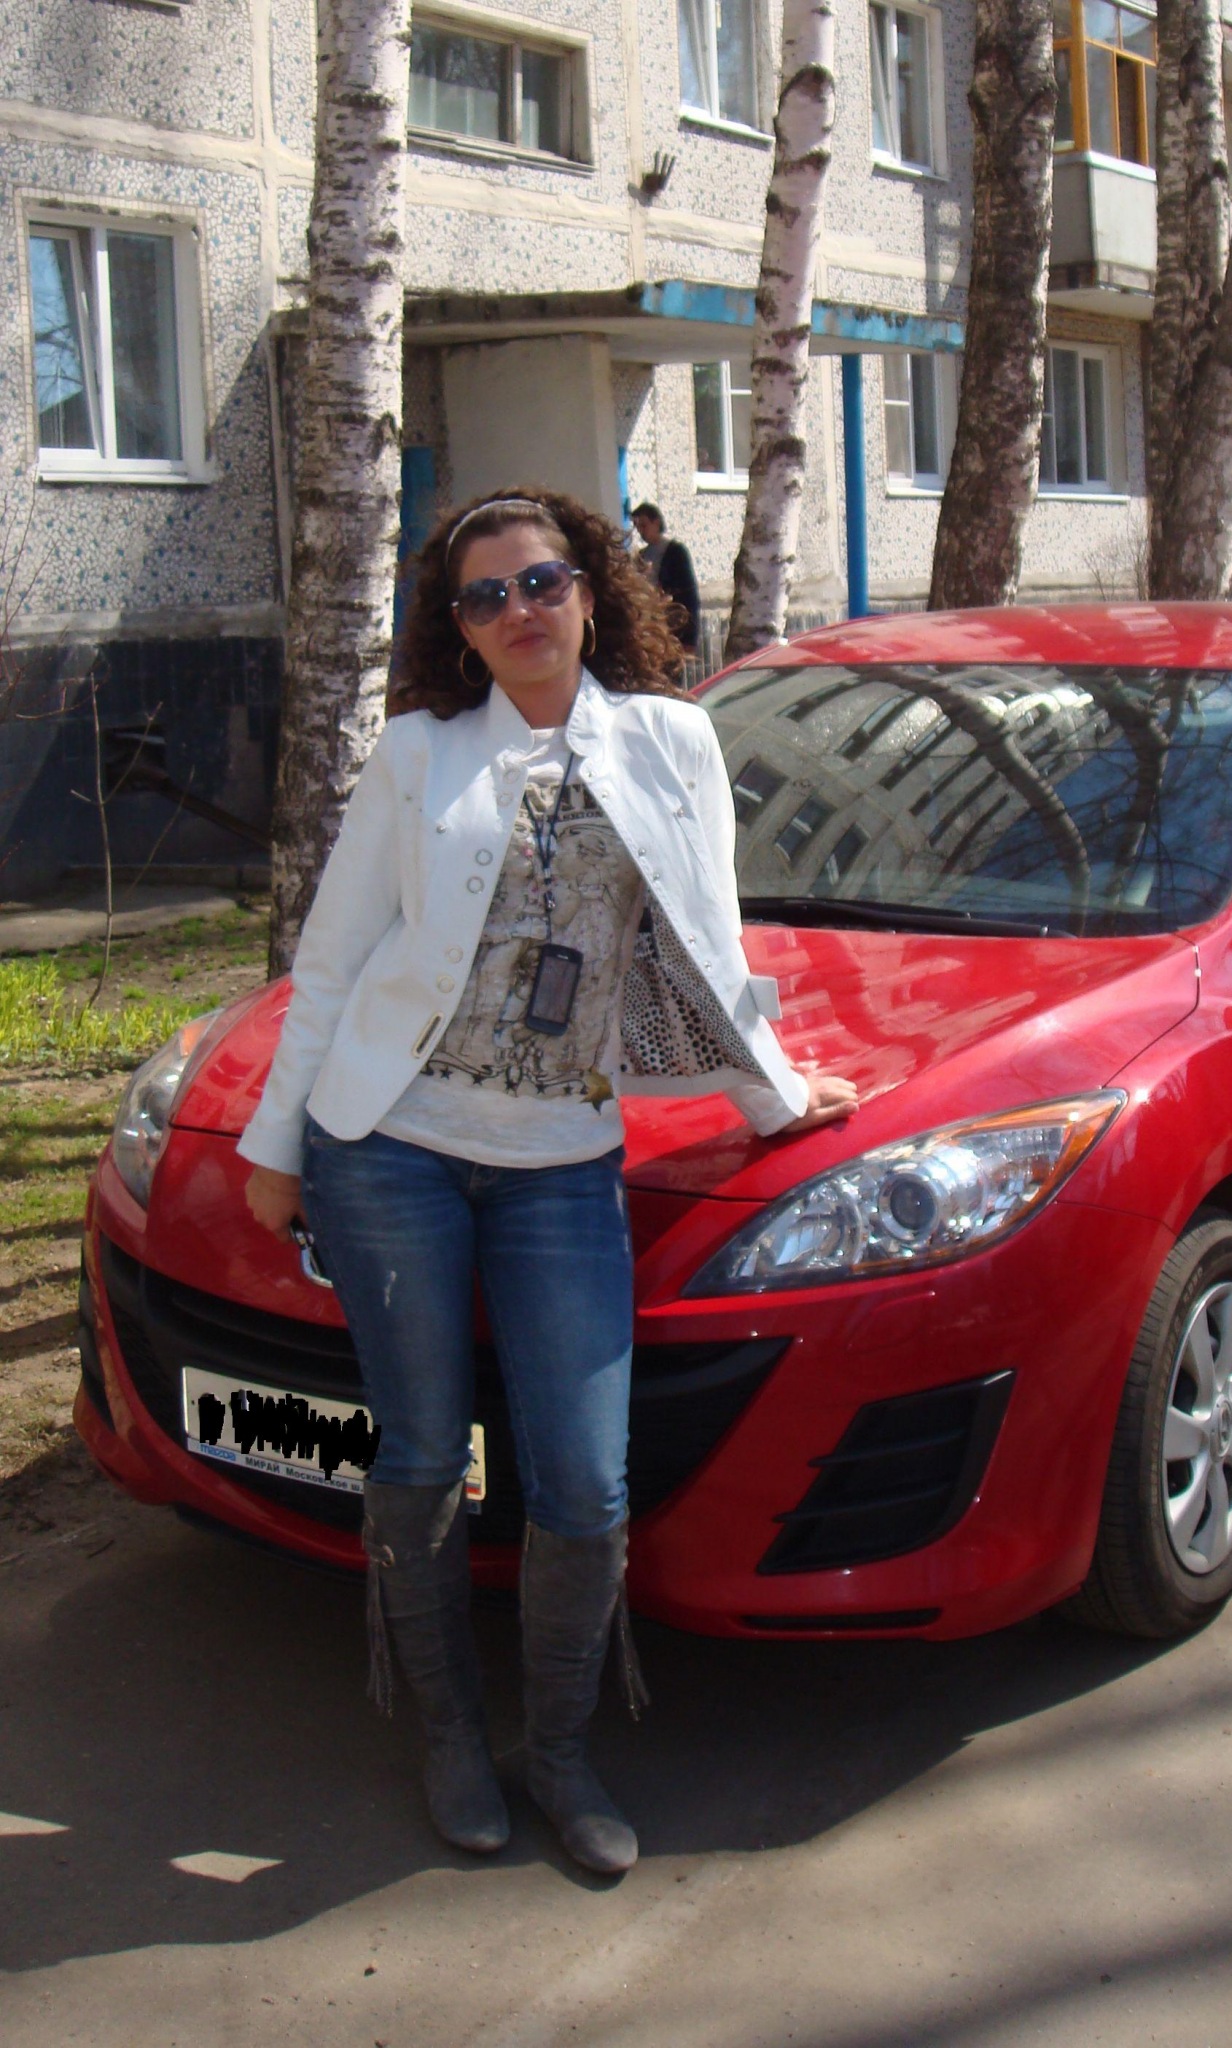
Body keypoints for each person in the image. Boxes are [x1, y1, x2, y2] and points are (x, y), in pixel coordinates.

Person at [237, 489, 857, 1877]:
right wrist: (277, 1146)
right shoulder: (419, 752)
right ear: (456, 628)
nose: (518, 610)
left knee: (583, 1477)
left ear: (590, 590)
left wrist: (773, 1090)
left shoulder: (671, 740)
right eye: (484, 596)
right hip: (387, 1146)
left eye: (541, 581)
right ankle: (454, 1736)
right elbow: (331, 960)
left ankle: (564, 1750)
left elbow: (708, 938)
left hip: (560, 1163)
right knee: (419, 1456)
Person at [629, 502, 700, 652]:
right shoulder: (641, 556)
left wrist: (690, 636)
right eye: (638, 527)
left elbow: (688, 594)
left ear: (656, 522)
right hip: (650, 625)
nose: (641, 531)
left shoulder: (675, 552)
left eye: (644, 525)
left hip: (672, 624)